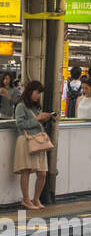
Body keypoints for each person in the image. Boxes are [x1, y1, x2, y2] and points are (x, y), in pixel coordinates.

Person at [13, 80, 52, 208]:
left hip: (38, 141)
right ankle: (26, 199)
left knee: (42, 173)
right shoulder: (21, 106)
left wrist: (43, 120)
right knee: (26, 170)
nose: (38, 96)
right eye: (37, 92)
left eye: (39, 93)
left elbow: (35, 123)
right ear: (30, 92)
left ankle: (36, 199)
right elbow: (20, 124)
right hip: (26, 140)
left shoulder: (36, 107)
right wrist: (37, 119)